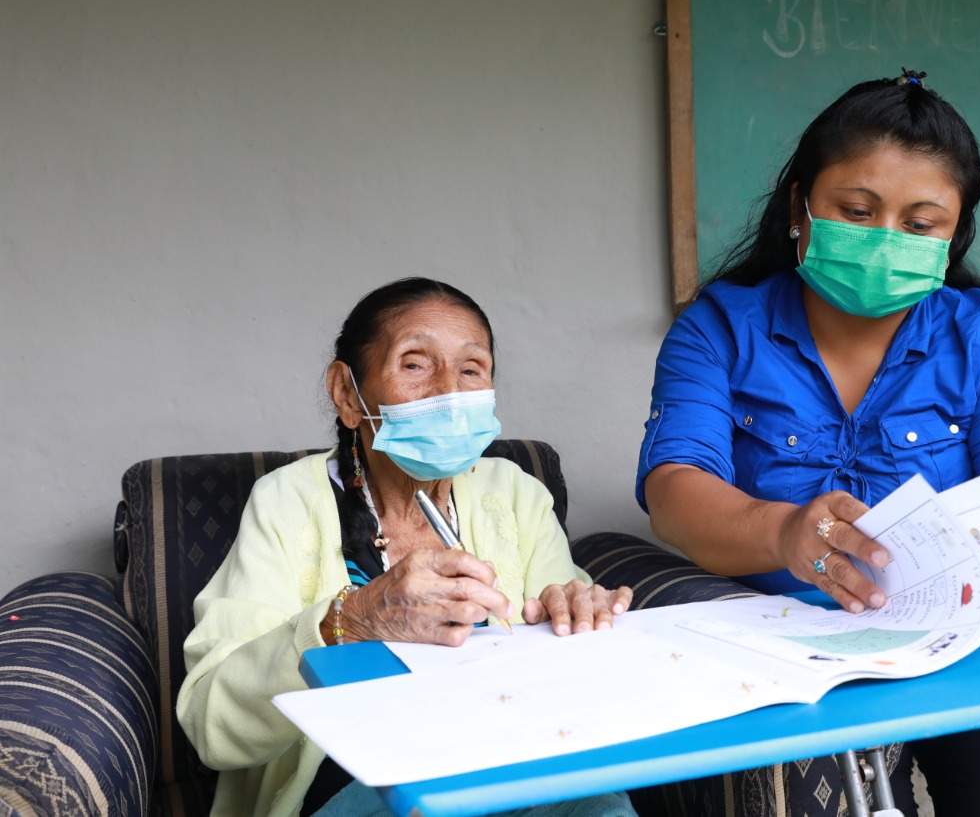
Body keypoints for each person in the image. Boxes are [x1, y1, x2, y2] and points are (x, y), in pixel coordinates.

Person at [635, 70, 980, 816]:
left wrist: (977, 609)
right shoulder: (717, 328)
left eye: (920, 223)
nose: (885, 239)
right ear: (799, 207)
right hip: (780, 633)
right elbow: (676, 490)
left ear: (953, 236)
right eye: (857, 209)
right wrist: (784, 532)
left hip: (975, 636)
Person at [177, 277, 636, 817]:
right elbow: (212, 725)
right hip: (358, 781)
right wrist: (351, 620)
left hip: (513, 760)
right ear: (348, 394)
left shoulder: (512, 492)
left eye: (471, 370)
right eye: (416, 364)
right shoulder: (287, 502)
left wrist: (577, 615)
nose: (449, 392)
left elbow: (569, 669)